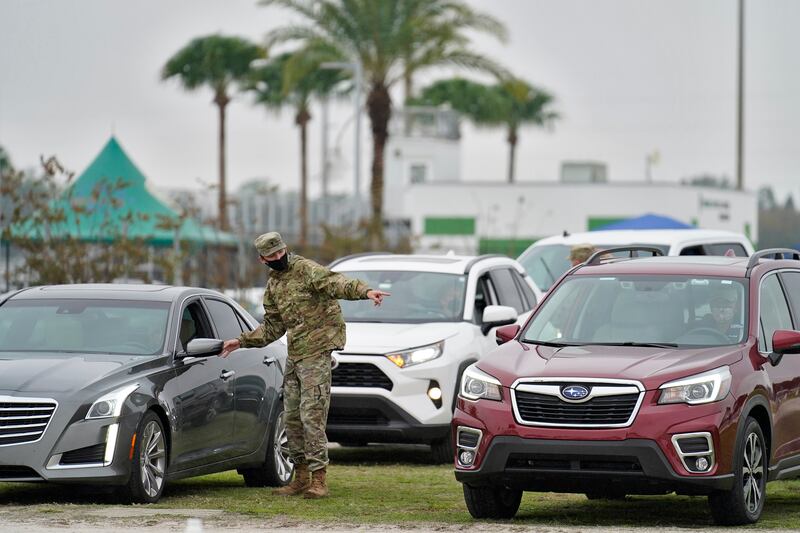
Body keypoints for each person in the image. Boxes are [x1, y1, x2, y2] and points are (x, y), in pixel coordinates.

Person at [219, 232, 389, 499]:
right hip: (296, 354)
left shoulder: (307, 270)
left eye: (280, 252)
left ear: (285, 249)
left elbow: (336, 283)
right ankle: (299, 477)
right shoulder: (274, 286)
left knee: (312, 415)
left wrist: (366, 292)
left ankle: (319, 479)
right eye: (271, 256)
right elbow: (273, 327)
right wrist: (240, 342)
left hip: (318, 351)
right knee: (292, 417)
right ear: (262, 259)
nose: (278, 258)